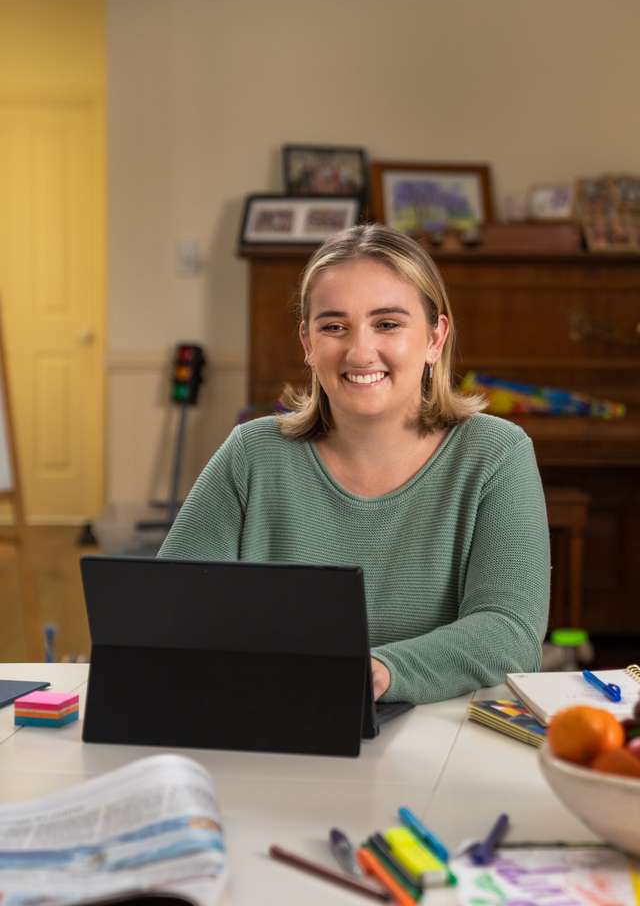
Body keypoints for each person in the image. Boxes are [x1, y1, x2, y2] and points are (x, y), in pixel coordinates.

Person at [158, 224, 550, 705]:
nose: (360, 351)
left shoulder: (497, 453)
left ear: (435, 337)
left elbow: (510, 632)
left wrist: (381, 670)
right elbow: (168, 613)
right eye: (333, 326)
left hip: (437, 739)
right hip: (275, 717)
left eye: (387, 324)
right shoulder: (250, 453)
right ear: (307, 341)